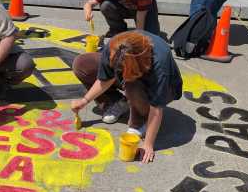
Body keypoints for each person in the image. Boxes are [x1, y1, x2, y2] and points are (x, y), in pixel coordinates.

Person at [71, 31, 183, 164]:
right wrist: (85, 100)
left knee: (131, 82)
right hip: (133, 70)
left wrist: (148, 143)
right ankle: (117, 102)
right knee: (82, 64)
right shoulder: (115, 46)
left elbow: (156, 109)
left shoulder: (159, 62)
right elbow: (105, 78)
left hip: (167, 87)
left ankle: (140, 120)